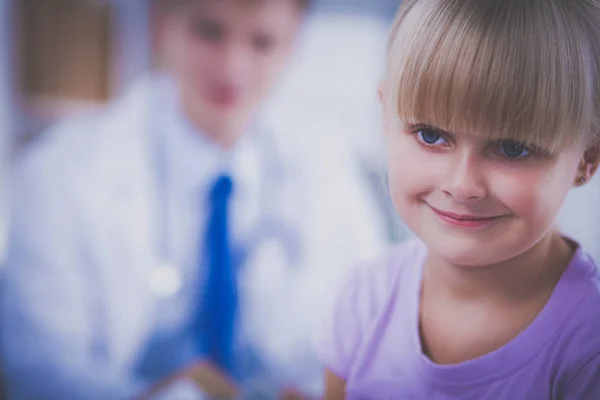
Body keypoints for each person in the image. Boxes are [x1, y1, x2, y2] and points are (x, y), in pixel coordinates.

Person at [1, 0, 387, 399]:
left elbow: (372, 337)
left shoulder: (328, 172)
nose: (232, 69)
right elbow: (38, 369)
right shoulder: (59, 172)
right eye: (209, 31)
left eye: (262, 42)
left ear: (293, 48)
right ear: (162, 25)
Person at [318, 0, 600, 398]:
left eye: (513, 148)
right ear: (386, 121)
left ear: (586, 159)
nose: (462, 184)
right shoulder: (363, 299)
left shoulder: (588, 347)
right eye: (430, 135)